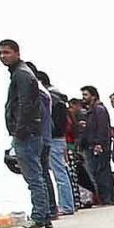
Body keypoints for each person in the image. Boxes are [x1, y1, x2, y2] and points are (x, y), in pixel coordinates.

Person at [1, 40, 56, 228]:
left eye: (7, 52)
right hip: (31, 131)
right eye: (0, 53)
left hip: (27, 133)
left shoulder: (22, 75)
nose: (3, 56)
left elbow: (26, 105)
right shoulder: (20, 74)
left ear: (16, 53)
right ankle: (45, 214)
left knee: (33, 176)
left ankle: (40, 216)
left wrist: (20, 130)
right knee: (37, 175)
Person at [35, 65, 79, 215]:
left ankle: (66, 206)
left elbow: (53, 122)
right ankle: (67, 204)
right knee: (62, 172)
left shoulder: (50, 98)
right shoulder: (58, 97)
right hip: (60, 138)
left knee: (59, 173)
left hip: (54, 138)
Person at [74, 85, 114, 206]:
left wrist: (98, 144)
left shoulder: (99, 110)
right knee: (100, 172)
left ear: (93, 96)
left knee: (101, 173)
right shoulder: (91, 111)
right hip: (93, 145)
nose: (83, 98)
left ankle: (106, 198)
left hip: (98, 146)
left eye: (86, 95)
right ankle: (108, 198)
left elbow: (102, 128)